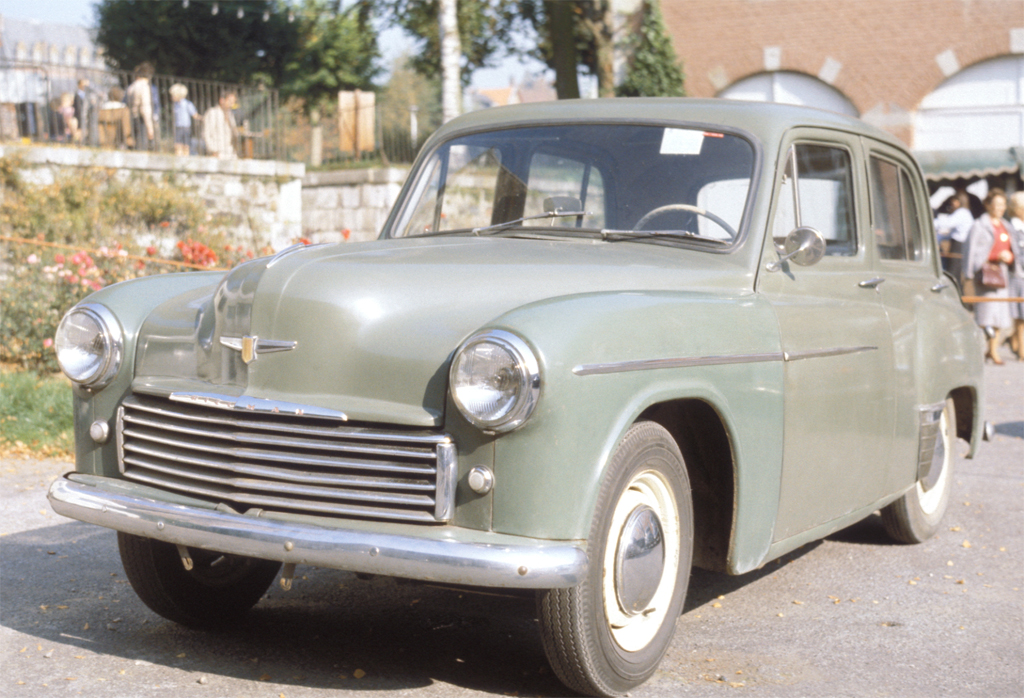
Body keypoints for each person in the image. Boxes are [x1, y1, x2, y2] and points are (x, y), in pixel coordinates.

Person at [964, 189, 1022, 364]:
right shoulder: (979, 225)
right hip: (985, 274)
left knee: (998, 315)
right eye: (996, 204)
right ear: (987, 205)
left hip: (1002, 273)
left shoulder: (1007, 226)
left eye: (1002, 205)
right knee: (986, 315)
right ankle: (979, 350)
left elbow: (1014, 251)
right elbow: (970, 250)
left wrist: (1010, 258)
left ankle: (992, 350)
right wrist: (967, 273)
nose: (999, 208)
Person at [934, 190, 974, 284]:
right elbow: (949, 233)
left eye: (954, 201)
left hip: (959, 246)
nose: (952, 204)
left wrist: (930, 222)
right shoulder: (965, 213)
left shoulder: (962, 212)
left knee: (953, 273)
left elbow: (947, 223)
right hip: (958, 244)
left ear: (959, 201)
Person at [1007, 191, 1024, 361]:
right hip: (1017, 275)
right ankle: (1020, 349)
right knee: (1019, 315)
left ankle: (1018, 344)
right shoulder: (1012, 227)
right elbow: (1018, 254)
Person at [126, 62, 155, 151]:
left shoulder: (132, 86)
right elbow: (145, 108)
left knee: (135, 145)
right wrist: (150, 127)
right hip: (141, 119)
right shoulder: (144, 87)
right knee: (142, 147)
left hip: (133, 117)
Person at [202, 90, 238, 159]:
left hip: (229, 152)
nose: (232, 105)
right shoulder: (213, 113)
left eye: (233, 102)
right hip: (217, 152)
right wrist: (213, 150)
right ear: (222, 100)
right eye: (230, 101)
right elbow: (206, 133)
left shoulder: (230, 114)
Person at [169, 84, 199, 156]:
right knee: (177, 144)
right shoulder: (175, 105)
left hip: (186, 127)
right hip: (178, 126)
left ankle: (185, 158)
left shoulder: (187, 104)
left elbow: (195, 114)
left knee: (186, 145)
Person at [73, 79, 90, 144]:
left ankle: (80, 142)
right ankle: (76, 142)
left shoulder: (87, 95)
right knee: (79, 131)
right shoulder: (78, 95)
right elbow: (78, 108)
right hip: (79, 117)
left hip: (85, 117)